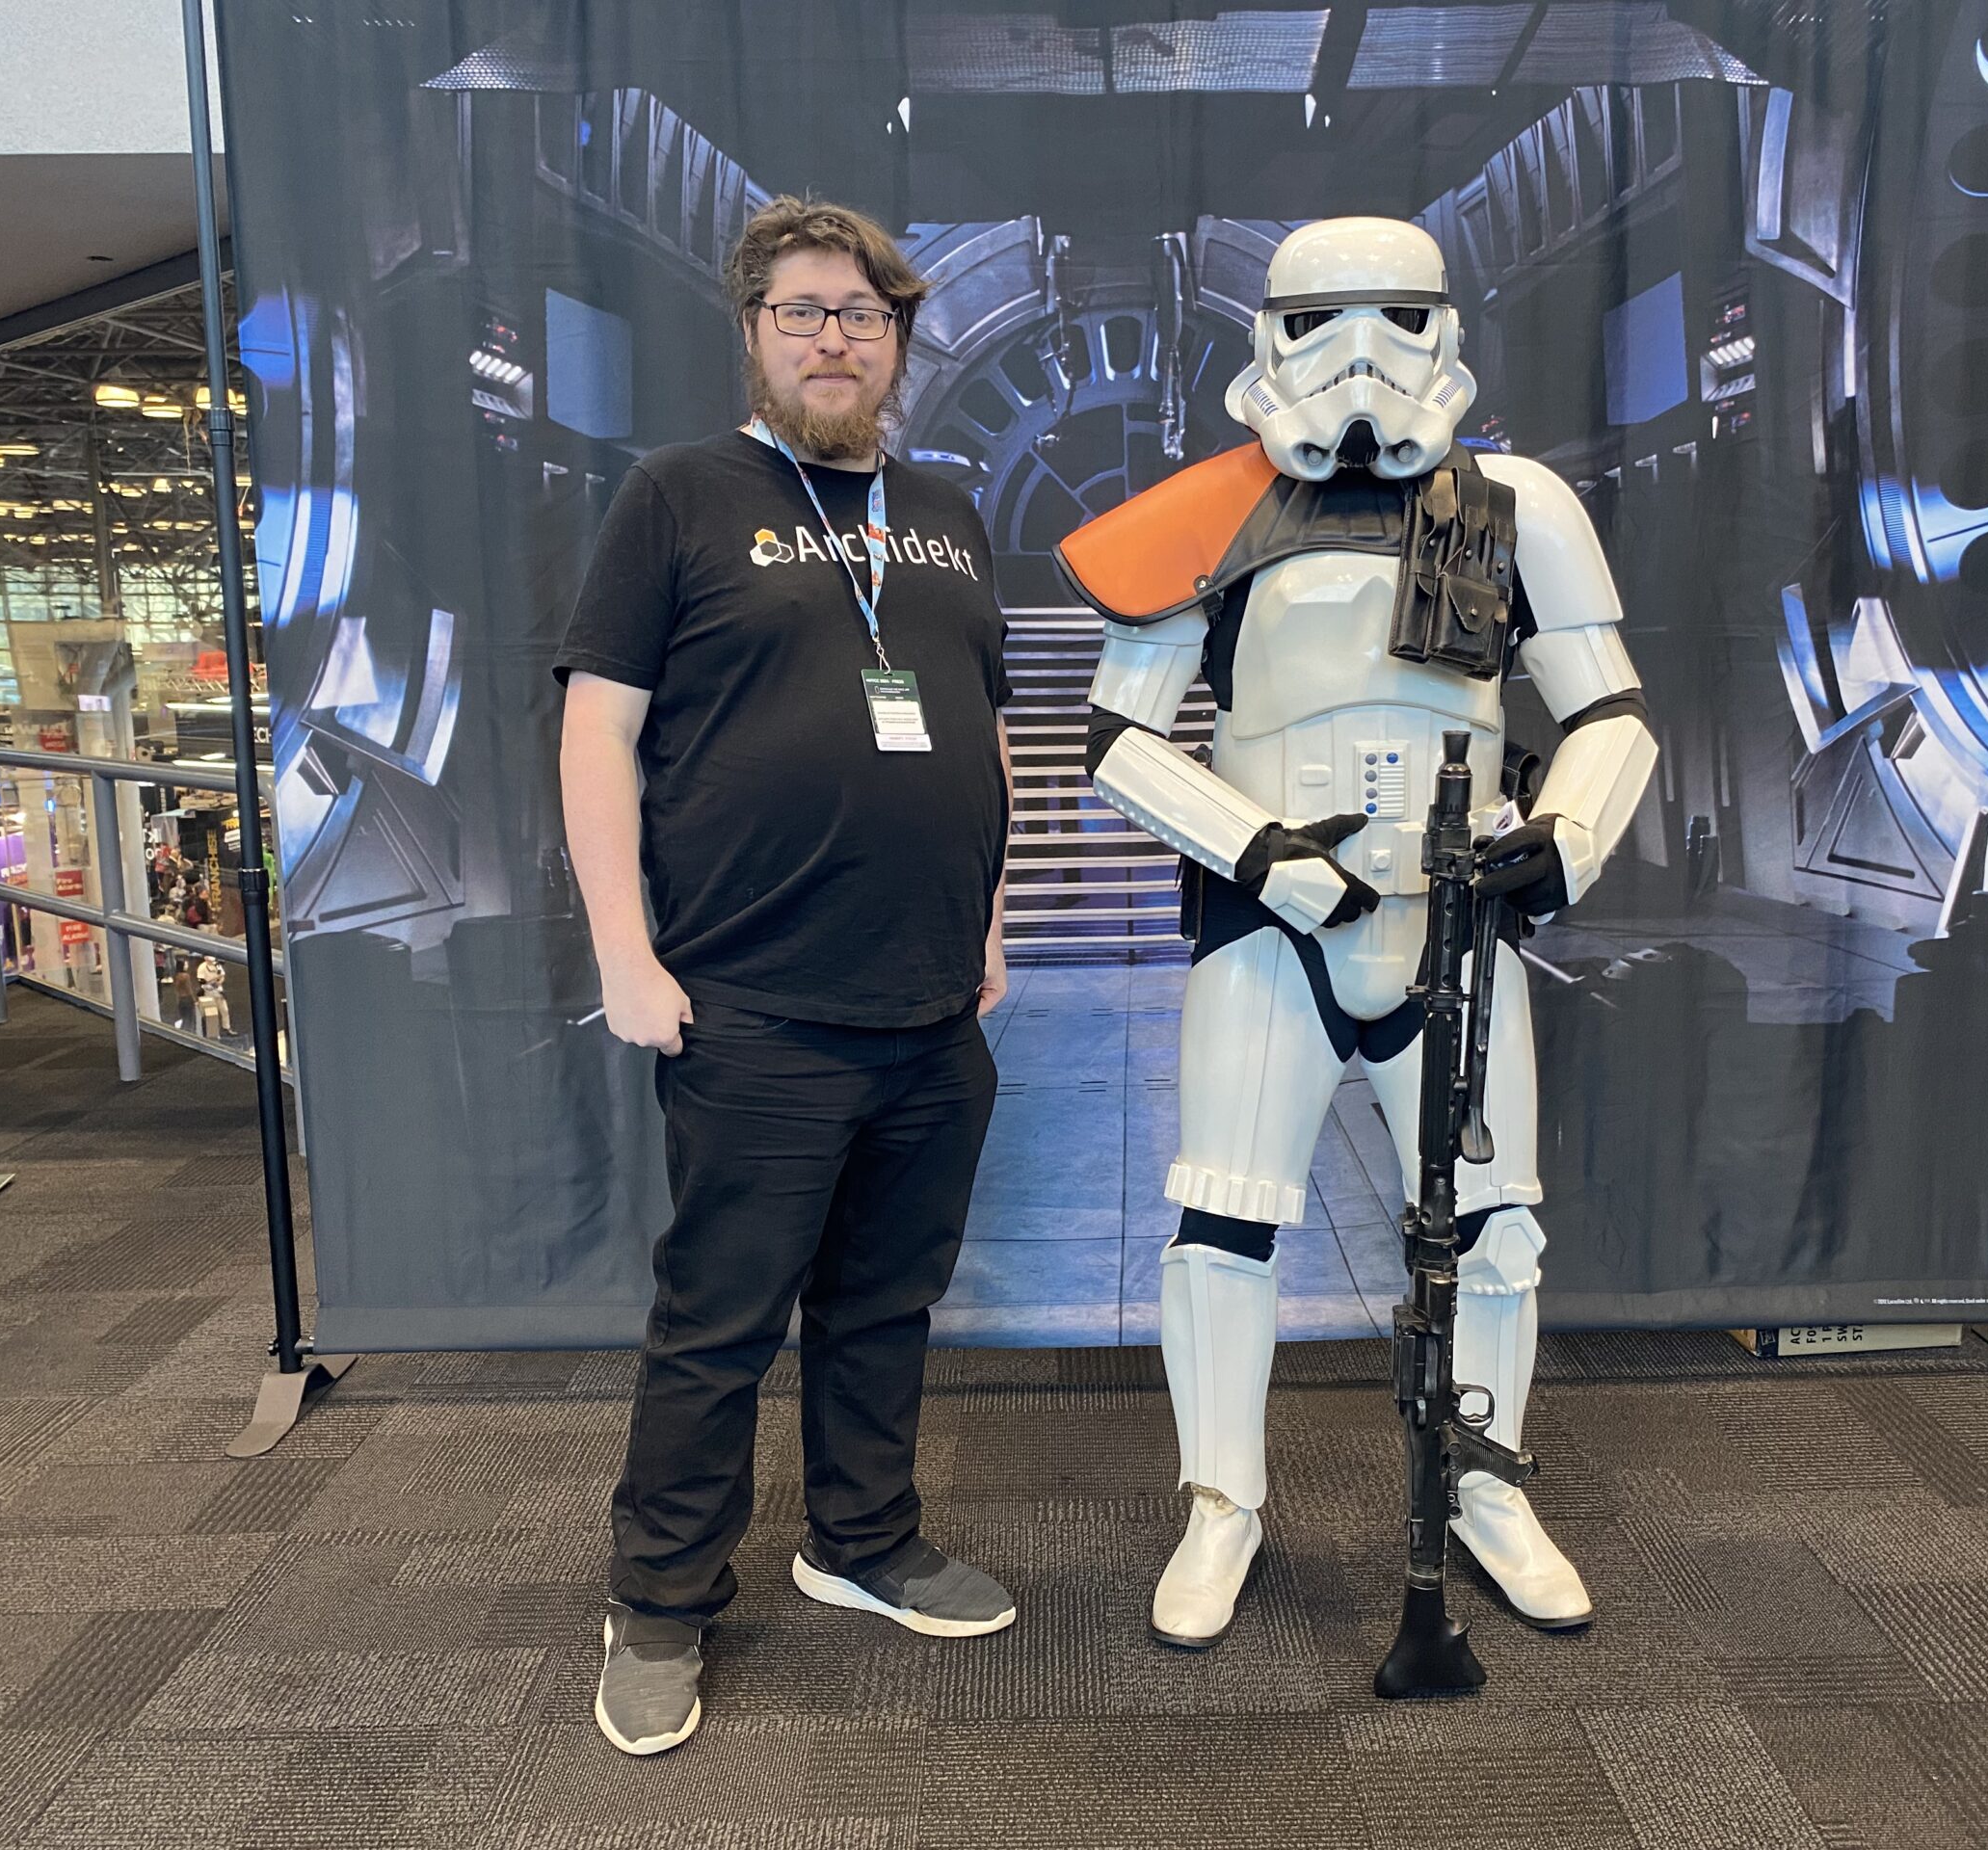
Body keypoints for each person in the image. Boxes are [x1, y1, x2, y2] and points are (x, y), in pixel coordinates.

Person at [1060, 219, 1657, 1650]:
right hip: (1273, 928)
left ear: (1444, 325)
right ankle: (1223, 1503)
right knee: (1223, 1224)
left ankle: (1486, 1485)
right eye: (1318, 324)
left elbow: (1610, 711)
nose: (1359, 358)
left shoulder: (1516, 507)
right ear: (1266, 338)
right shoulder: (1207, 513)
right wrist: (1261, 855)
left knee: (1495, 1230)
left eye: (1395, 317)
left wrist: (1566, 834)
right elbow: (1118, 739)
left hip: (1457, 923)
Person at [554, 196, 1020, 1758]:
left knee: (886, 1301)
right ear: (754, 333)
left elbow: (983, 731)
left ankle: (863, 1540)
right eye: (804, 312)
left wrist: (992, 921)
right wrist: (624, 952)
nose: (836, 339)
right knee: (720, 1325)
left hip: (931, 1011)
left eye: (864, 315)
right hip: (753, 1005)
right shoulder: (679, 496)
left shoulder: (946, 512)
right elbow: (598, 732)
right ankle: (659, 1601)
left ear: (898, 343)